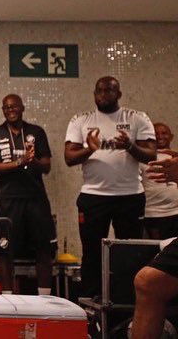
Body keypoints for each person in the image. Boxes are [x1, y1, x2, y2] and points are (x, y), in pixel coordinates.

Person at [64, 76, 156, 298]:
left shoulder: (137, 118)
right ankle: (91, 302)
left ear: (119, 94)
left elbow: (151, 154)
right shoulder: (81, 120)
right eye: (99, 91)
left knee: (130, 253)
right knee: (92, 252)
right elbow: (69, 157)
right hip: (93, 196)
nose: (103, 95)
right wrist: (90, 149)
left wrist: (130, 146)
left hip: (130, 196)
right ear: (94, 94)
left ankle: (127, 301)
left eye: (109, 90)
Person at [0, 94, 56, 295]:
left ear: (22, 108)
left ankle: (45, 298)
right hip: (7, 200)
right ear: (3, 110)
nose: (10, 110)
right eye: (6, 107)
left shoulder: (36, 132)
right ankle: (7, 297)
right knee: (5, 249)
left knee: (43, 249)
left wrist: (32, 161)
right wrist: (19, 162)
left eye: (14, 106)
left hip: (35, 198)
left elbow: (47, 166)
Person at [140, 123, 178, 239]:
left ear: (171, 137)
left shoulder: (176, 158)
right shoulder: (142, 158)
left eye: (164, 133)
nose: (160, 136)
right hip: (152, 214)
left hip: (176, 212)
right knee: (156, 248)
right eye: (156, 134)